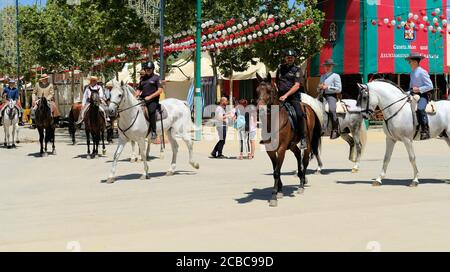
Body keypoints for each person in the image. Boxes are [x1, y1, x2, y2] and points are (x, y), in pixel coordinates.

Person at [275, 49, 307, 149]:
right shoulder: (280, 68)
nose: (290, 59)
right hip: (280, 97)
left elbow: (297, 86)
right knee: (269, 112)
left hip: (293, 97)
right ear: (285, 58)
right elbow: (276, 82)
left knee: (299, 114)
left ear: (294, 59)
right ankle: (269, 136)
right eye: (288, 57)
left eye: (291, 57)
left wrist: (286, 95)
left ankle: (302, 138)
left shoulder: (297, 70)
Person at [406, 52, 434, 140]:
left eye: (409, 61)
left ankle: (425, 130)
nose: (409, 63)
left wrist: (418, 89)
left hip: (423, 95)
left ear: (415, 62)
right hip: (413, 94)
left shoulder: (422, 72)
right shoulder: (412, 73)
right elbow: (411, 87)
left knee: (420, 109)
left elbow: (430, 86)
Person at [135, 61, 163, 140]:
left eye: (150, 69)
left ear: (153, 69)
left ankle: (154, 131)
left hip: (153, 101)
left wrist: (150, 97)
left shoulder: (156, 78)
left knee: (151, 111)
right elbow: (139, 89)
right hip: (143, 99)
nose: (148, 70)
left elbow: (160, 90)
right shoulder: (142, 78)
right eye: (147, 69)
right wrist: (135, 95)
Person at [318, 59, 342, 139]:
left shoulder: (336, 76)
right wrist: (319, 88)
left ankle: (335, 129)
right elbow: (319, 88)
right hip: (321, 95)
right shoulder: (322, 76)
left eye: (329, 66)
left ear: (332, 67)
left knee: (332, 109)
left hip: (331, 96)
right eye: (326, 66)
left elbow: (339, 89)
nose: (327, 67)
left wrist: (327, 87)